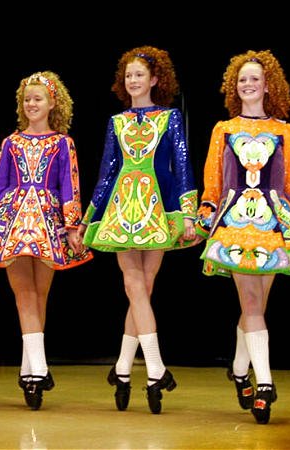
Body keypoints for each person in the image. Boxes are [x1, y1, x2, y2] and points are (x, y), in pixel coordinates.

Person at [195, 50, 290, 424]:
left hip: (274, 224)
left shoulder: (285, 131)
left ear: (268, 86)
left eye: (254, 79)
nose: (248, 84)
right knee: (250, 302)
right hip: (234, 222)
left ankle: (239, 369)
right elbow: (213, 182)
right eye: (242, 80)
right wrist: (204, 214)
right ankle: (264, 384)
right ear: (233, 87)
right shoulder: (223, 129)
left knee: (257, 306)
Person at [77, 46, 198, 414]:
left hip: (158, 206)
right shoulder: (116, 122)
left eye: (139, 75)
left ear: (155, 79)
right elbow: (106, 172)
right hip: (121, 207)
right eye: (128, 75)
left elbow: (182, 165)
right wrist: (88, 217)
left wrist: (188, 213)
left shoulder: (170, 118)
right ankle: (156, 368)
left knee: (143, 286)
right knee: (134, 285)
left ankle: (123, 368)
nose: (133, 80)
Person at [0, 71, 93, 410]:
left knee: (40, 295)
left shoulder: (63, 143)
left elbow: (70, 186)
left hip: (48, 223)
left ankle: (29, 369)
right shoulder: (11, 142)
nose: (31, 104)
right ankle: (39, 369)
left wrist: (72, 226)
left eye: (37, 99)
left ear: (52, 103)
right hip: (15, 222)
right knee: (24, 295)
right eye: (26, 99)